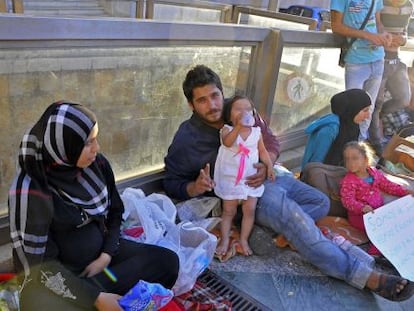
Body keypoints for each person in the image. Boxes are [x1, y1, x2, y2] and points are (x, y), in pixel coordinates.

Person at [164, 64, 414, 301]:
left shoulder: (240, 109)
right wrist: (194, 187)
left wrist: (267, 163)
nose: (212, 105)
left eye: (215, 95)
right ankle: (363, 275)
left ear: (222, 92)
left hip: (273, 178)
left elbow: (270, 141)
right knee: (295, 218)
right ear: (191, 104)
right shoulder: (188, 138)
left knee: (319, 202)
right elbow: (171, 181)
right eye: (202, 100)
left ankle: (282, 231)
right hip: (248, 195)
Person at [8, 102, 179, 311]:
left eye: (95, 139)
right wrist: (95, 297)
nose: (96, 149)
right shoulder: (32, 190)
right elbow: (41, 266)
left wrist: (106, 255)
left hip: (101, 265)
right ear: (65, 147)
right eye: (88, 143)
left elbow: (115, 213)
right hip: (57, 278)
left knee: (167, 262)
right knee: (40, 305)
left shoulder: (96, 166)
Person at [213, 95, 275, 256]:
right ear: (229, 115)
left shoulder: (257, 132)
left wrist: (269, 166)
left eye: (248, 109)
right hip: (231, 180)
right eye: (238, 109)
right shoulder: (227, 130)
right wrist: (239, 127)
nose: (244, 112)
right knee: (228, 212)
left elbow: (262, 151)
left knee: (250, 211)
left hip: (249, 180)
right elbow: (227, 142)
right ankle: (225, 239)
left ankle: (243, 239)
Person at [330, 0, 391, 142]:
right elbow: (336, 26)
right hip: (356, 60)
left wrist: (384, 34)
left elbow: (378, 23)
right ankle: (346, 147)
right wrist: (367, 35)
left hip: (378, 58)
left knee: (367, 110)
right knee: (352, 110)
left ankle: (359, 147)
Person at [340, 140, 414, 255]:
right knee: (381, 231)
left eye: (354, 158)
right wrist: (362, 207)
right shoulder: (348, 181)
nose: (350, 162)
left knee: (398, 224)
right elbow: (347, 200)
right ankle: (375, 253)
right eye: (347, 159)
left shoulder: (374, 173)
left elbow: (389, 186)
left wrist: (405, 192)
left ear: (365, 159)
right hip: (360, 217)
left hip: (379, 212)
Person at [369, 0, 414, 153]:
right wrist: (383, 37)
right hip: (377, 57)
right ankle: (376, 144)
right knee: (375, 103)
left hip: (395, 58)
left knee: (403, 98)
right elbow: (372, 27)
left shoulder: (408, 5)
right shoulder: (379, 3)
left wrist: (402, 39)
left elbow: (405, 32)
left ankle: (378, 116)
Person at [302, 88, 371, 169]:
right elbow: (315, 164)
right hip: (323, 175)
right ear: (353, 109)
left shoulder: (352, 123)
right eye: (365, 110)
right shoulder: (330, 129)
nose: (368, 116)